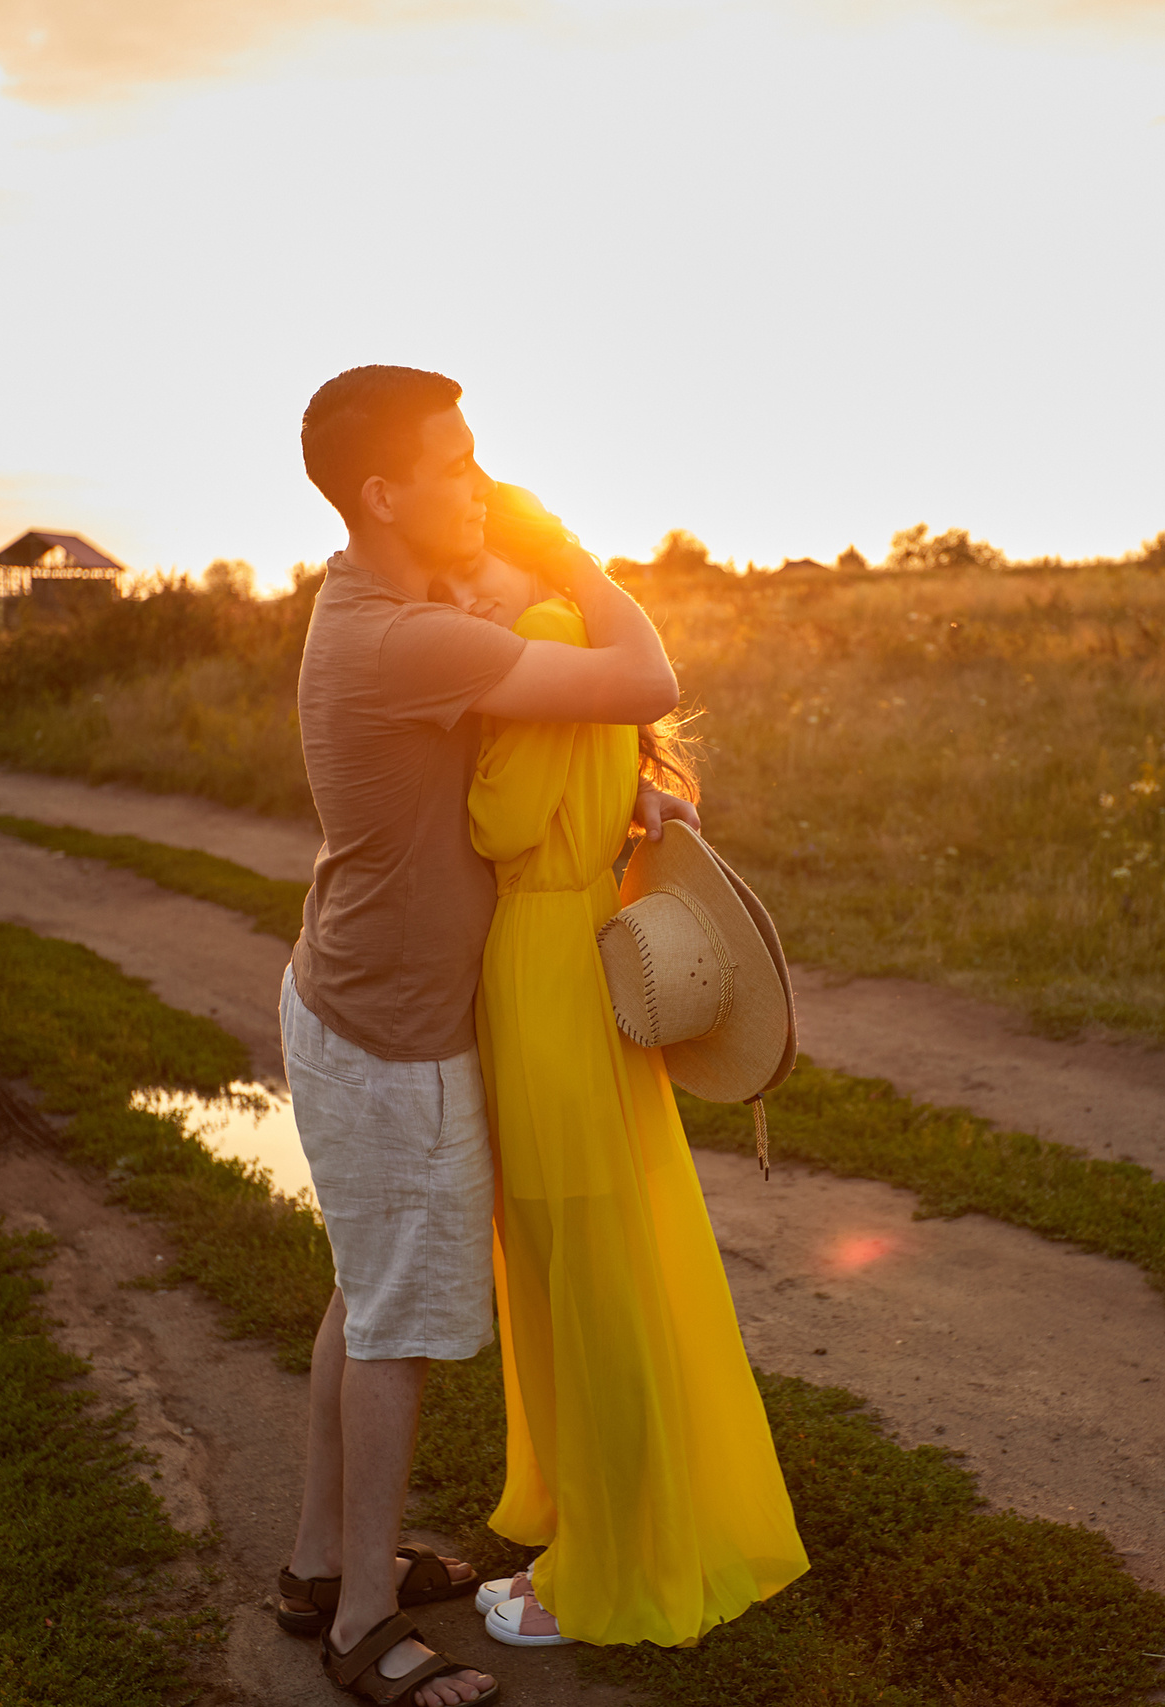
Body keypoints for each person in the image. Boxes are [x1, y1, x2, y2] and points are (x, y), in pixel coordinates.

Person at [271, 366, 692, 1707]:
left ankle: (315, 1562)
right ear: (384, 491)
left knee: (362, 1288)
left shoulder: (380, 606)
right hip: (394, 1030)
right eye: (457, 463)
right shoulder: (406, 640)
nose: (482, 482)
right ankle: (360, 1627)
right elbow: (647, 673)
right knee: (397, 1318)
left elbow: (530, 760)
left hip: (346, 992)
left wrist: (625, 805)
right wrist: (570, 550)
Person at [440, 523, 808, 1650]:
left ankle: (605, 1570)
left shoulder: (539, 640)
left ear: (518, 561)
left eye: (467, 569)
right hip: (566, 954)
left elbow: (497, 820)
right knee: (599, 1263)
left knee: (579, 1277)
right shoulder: (575, 641)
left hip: (545, 970)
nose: (454, 592)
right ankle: (615, 1530)